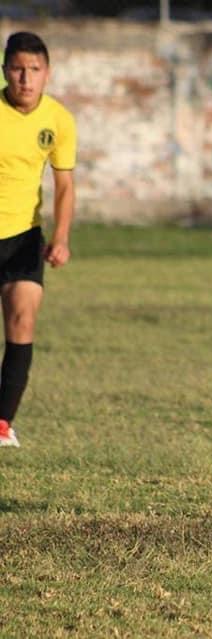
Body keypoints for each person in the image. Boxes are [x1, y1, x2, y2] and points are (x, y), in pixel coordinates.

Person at [0, 32, 77, 447]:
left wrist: (61, 237)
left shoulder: (59, 120)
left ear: (47, 73)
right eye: (17, 69)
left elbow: (64, 186)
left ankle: (1, 424)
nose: (25, 79)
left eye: (34, 70)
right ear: (5, 71)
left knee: (23, 320)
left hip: (24, 237)